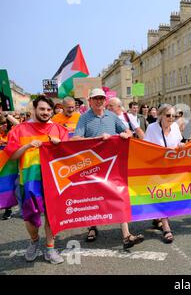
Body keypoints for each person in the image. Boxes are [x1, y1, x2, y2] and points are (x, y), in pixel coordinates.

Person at [72, 89, 145, 249]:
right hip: (91, 164)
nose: (99, 101)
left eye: (101, 98)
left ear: (105, 101)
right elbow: (76, 138)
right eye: (96, 98)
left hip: (112, 163)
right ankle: (92, 227)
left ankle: (126, 235)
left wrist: (126, 134)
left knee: (118, 195)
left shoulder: (112, 116)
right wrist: (96, 139)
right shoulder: (84, 118)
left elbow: (128, 131)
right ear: (90, 100)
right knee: (93, 196)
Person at [6, 95, 69, 264]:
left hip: (54, 180)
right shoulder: (19, 130)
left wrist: (60, 145)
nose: (46, 112)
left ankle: (50, 248)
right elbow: (12, 156)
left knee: (51, 214)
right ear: (34, 109)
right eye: (42, 109)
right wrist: (27, 145)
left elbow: (70, 156)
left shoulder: (59, 130)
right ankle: (34, 241)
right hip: (28, 181)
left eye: (49, 109)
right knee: (30, 217)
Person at [143, 104, 184, 244]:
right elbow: (146, 148)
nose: (171, 118)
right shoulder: (152, 128)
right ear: (160, 116)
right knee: (162, 194)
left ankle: (157, 217)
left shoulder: (175, 127)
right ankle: (166, 227)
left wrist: (181, 146)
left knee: (168, 195)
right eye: (168, 115)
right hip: (156, 167)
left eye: (173, 116)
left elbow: (179, 143)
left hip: (171, 167)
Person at [0, 115, 13, 220]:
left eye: (5, 123)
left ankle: (8, 209)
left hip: (7, 166)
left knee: (7, 187)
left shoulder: (10, 134)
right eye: (2, 123)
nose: (4, 125)